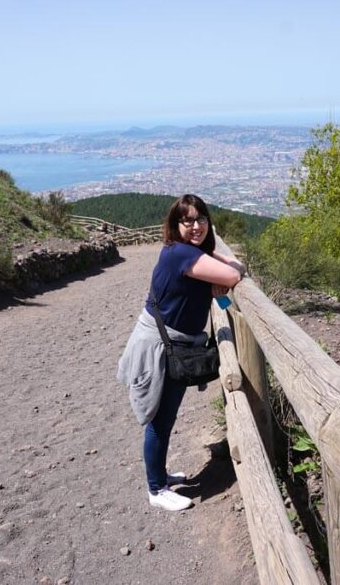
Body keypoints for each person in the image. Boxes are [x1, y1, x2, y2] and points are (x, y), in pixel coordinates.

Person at [117, 194, 245, 511]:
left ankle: (160, 475)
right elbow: (232, 274)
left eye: (201, 218)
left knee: (167, 416)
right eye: (187, 220)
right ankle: (156, 489)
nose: (196, 225)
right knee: (159, 421)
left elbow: (230, 265)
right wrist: (225, 277)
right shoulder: (180, 254)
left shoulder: (191, 252)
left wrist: (223, 275)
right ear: (175, 225)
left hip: (173, 342)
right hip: (159, 346)